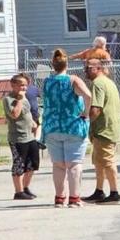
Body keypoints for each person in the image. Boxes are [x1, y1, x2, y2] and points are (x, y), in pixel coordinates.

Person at [41, 48, 92, 207]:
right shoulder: (73, 80)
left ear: (52, 64)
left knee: (58, 165)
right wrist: (86, 112)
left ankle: (59, 198)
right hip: (73, 126)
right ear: (67, 64)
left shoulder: (47, 82)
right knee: (74, 164)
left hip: (52, 126)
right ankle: (74, 198)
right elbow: (88, 95)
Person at [84, 56, 120, 205]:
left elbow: (96, 109)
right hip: (108, 127)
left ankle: (115, 193)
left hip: (103, 128)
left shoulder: (98, 83)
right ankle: (99, 191)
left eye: (87, 68)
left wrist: (85, 120)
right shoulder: (108, 82)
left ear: (97, 68)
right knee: (99, 161)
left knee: (107, 161)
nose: (85, 71)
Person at [4, 72, 40, 201]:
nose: (23, 88)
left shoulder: (24, 98)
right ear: (13, 85)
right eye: (20, 85)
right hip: (18, 138)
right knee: (19, 164)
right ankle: (18, 192)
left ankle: (25, 188)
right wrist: (19, 99)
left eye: (25, 85)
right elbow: (15, 114)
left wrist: (33, 123)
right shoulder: (9, 99)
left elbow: (27, 113)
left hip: (30, 136)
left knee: (32, 164)